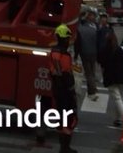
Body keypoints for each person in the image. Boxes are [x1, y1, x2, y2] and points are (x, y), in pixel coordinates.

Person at [38, 24, 78, 152]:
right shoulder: (57, 52)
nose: (68, 40)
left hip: (63, 89)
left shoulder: (60, 52)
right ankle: (64, 148)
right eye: (66, 38)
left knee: (66, 117)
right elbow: (59, 70)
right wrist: (66, 83)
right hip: (63, 90)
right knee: (68, 117)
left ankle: (65, 147)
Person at [98, 29, 123, 125]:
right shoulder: (119, 49)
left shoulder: (103, 50)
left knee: (117, 98)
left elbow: (101, 62)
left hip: (110, 76)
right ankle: (118, 118)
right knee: (120, 98)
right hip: (121, 75)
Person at [74, 10, 99, 99]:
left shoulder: (80, 29)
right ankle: (92, 89)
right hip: (94, 52)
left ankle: (92, 91)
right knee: (92, 71)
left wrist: (76, 55)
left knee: (88, 73)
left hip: (84, 53)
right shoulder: (93, 29)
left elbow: (77, 43)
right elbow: (97, 41)